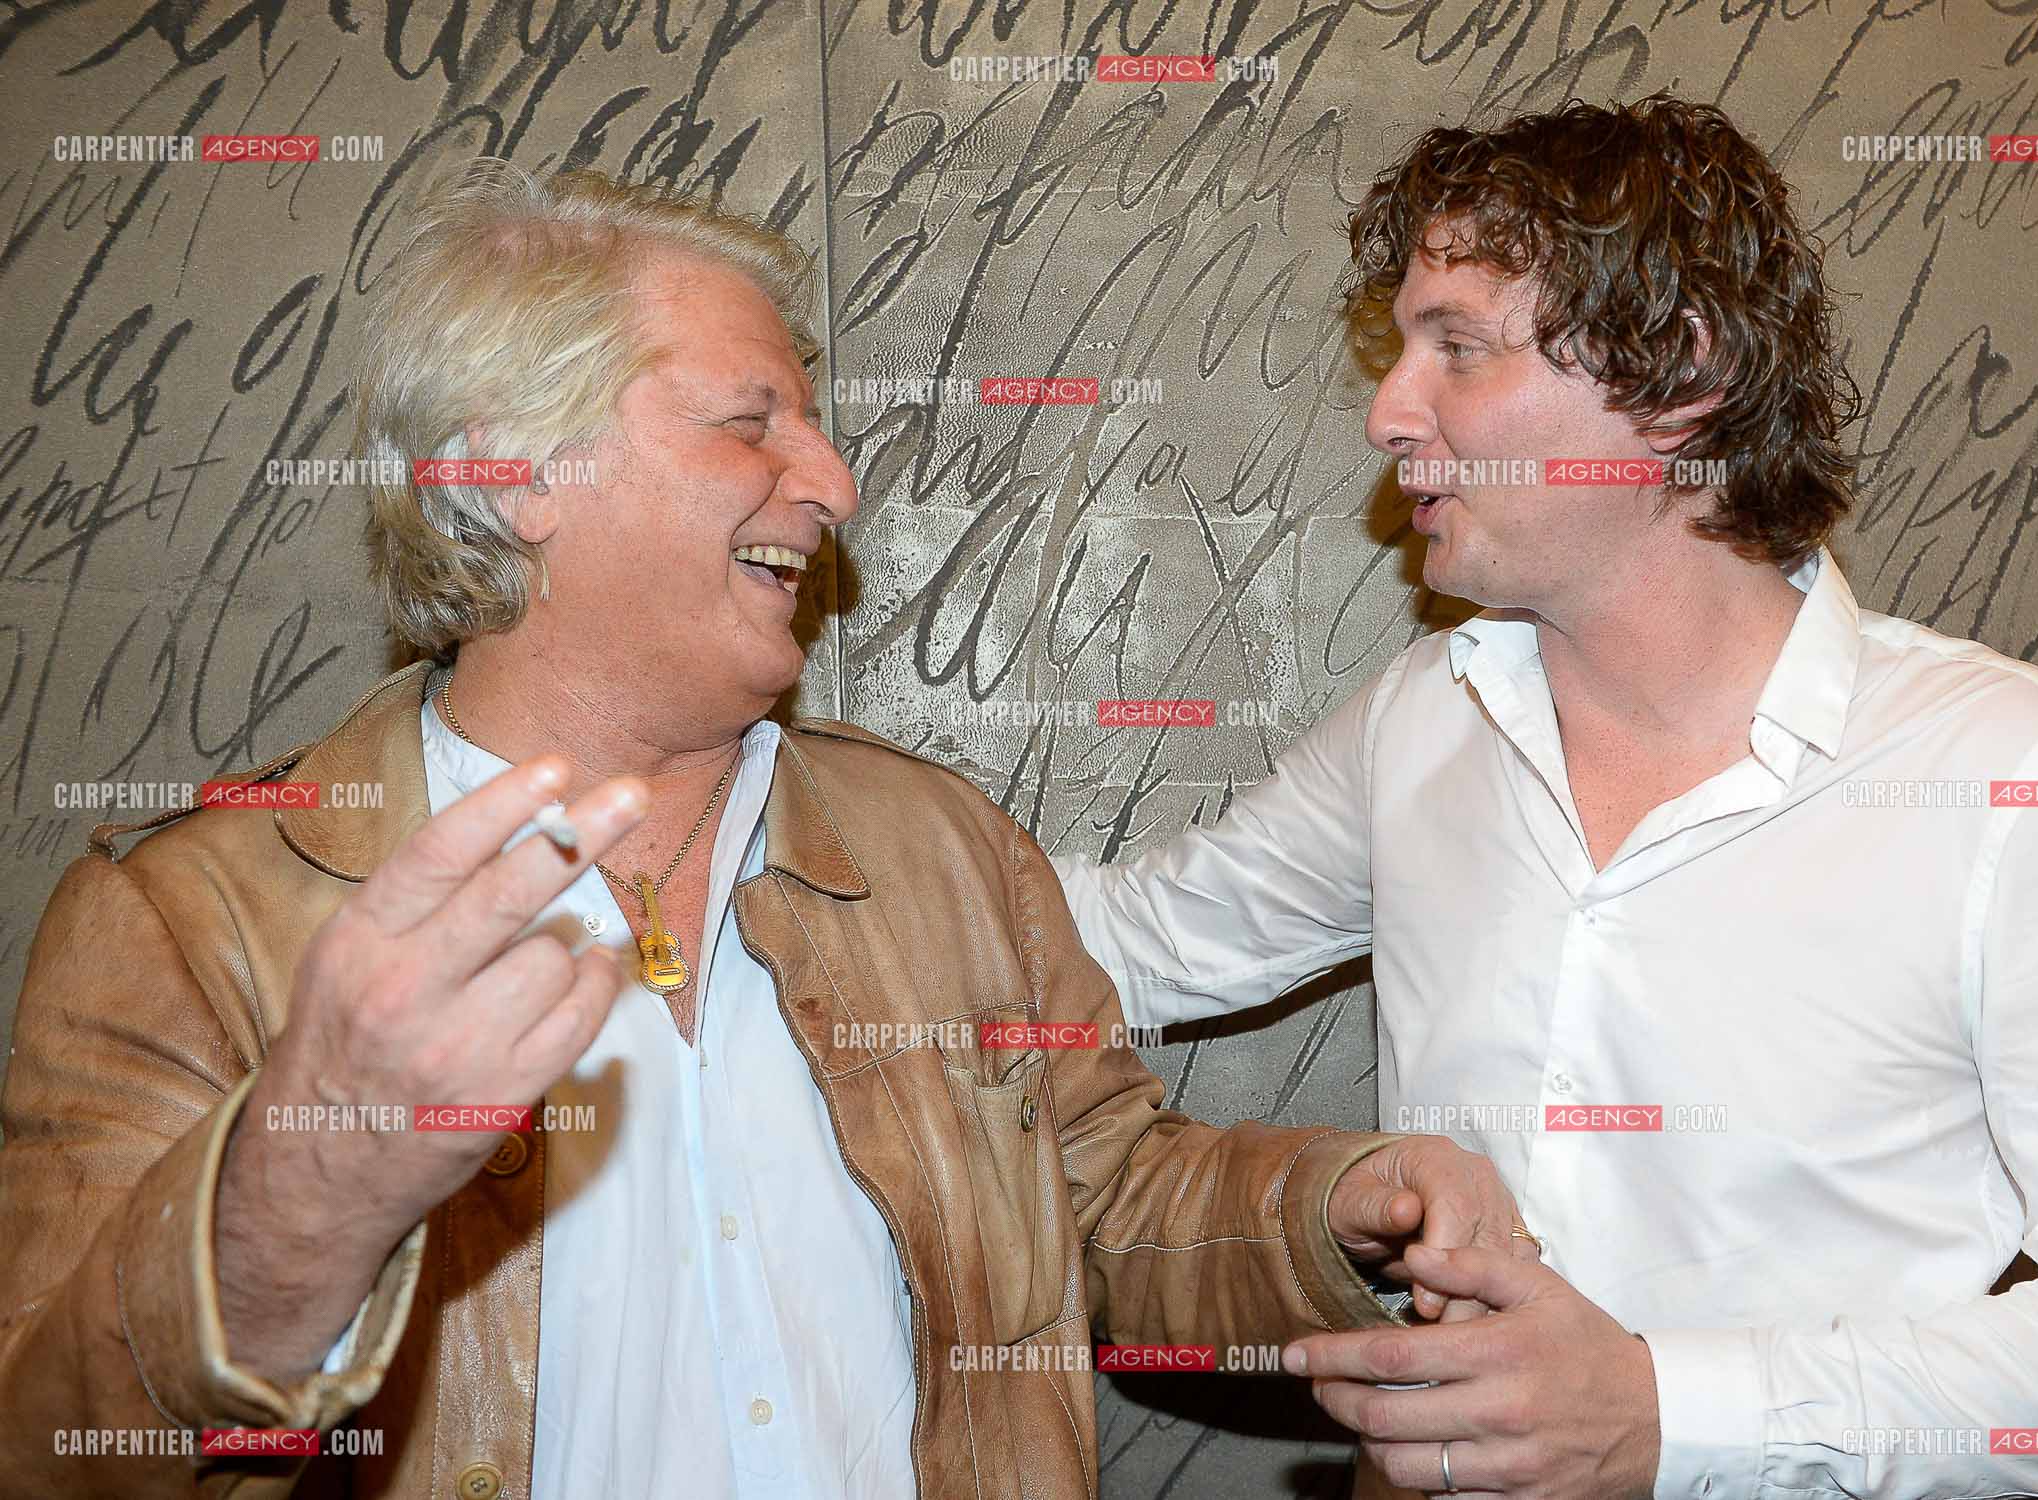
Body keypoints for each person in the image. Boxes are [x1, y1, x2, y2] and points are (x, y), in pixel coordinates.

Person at [0, 158, 1530, 1499]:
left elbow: (1108, 1196)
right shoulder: (189, 922)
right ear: (508, 476)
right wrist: (294, 1201)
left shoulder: (938, 851)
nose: (833, 479)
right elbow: (51, 1450)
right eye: (753, 422)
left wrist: (1339, 1201)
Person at [1051, 95, 2038, 1500]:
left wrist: (1672, 1412)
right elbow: (1126, 944)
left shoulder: (2006, 769)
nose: (1387, 411)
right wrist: (768, 820)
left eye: (1459, 348)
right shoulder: (1423, 721)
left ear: (1677, 377)